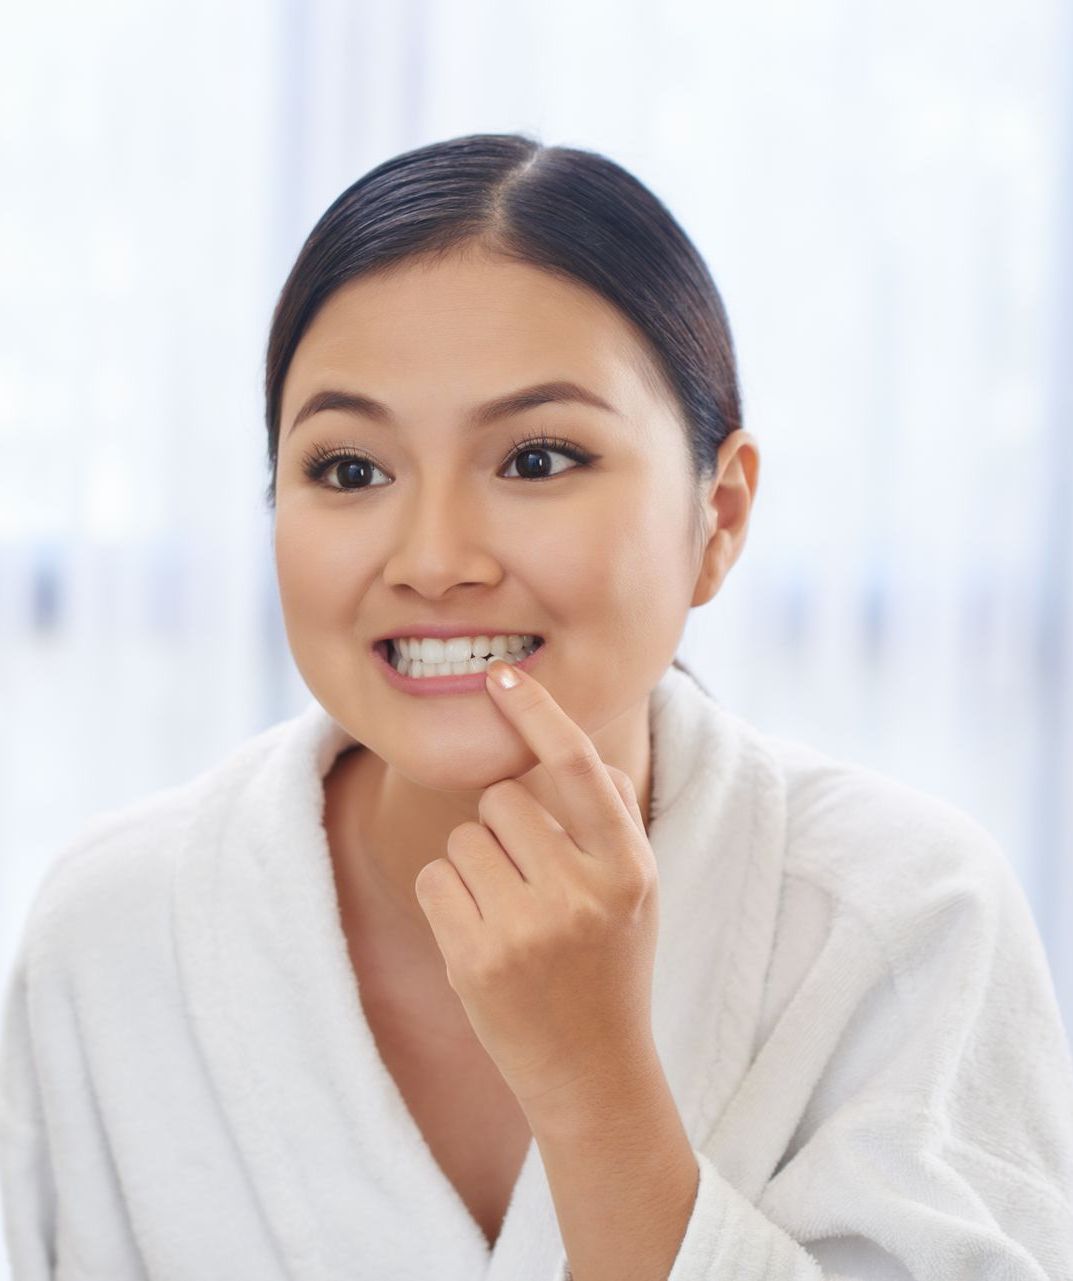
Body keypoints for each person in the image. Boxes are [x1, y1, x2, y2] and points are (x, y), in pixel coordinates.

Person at [2, 132, 1071, 1281]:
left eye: (539, 458)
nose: (433, 560)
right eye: (350, 470)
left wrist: (596, 1090)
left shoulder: (906, 917)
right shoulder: (114, 930)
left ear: (717, 517)